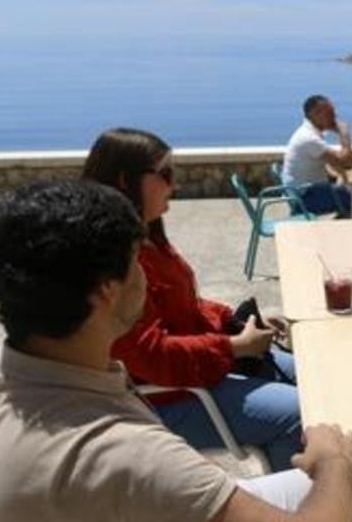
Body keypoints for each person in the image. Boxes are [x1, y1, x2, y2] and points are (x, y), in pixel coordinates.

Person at [0, 180, 352, 522]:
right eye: (136, 264)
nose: (147, 277)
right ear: (106, 291)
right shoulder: (120, 455)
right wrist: (335, 461)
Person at [81, 128, 303, 471]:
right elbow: (151, 355)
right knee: (297, 413)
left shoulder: (150, 237)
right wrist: (234, 347)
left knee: (313, 370)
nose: (175, 185)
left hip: (198, 371)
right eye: (166, 175)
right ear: (125, 180)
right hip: (167, 396)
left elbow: (186, 304)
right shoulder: (115, 262)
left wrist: (236, 322)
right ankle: (296, 510)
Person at [283, 94, 352, 218]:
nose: (334, 117)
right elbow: (346, 162)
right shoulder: (309, 138)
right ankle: (334, 232)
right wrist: (344, 134)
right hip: (305, 198)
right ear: (315, 114)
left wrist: (338, 176)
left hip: (302, 193)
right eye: (330, 113)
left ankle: (335, 230)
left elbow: (333, 163)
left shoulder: (308, 133)